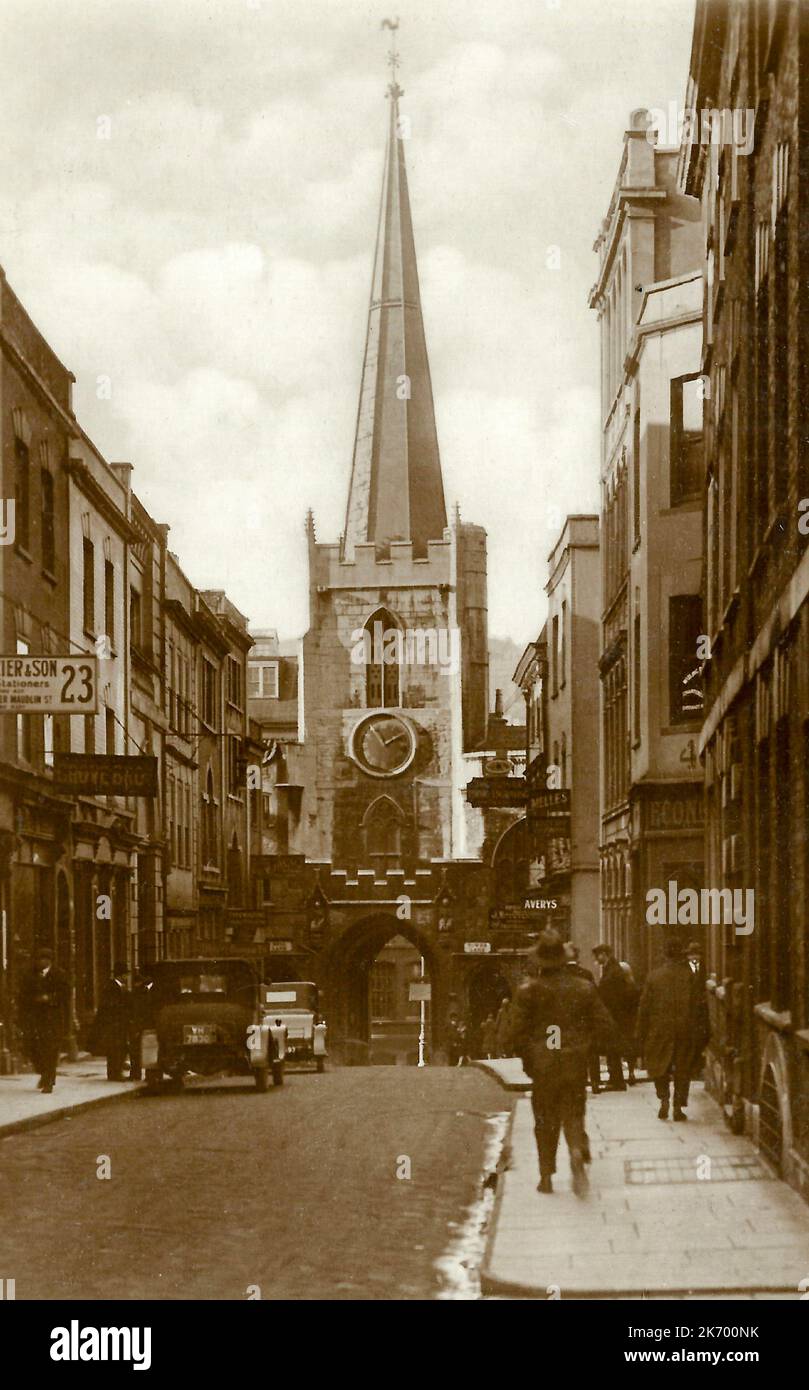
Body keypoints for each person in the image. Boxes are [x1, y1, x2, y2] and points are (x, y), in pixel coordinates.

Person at [513, 930, 617, 1196]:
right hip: (574, 1063)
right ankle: (575, 1149)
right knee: (573, 1113)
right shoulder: (583, 988)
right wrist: (587, 1048)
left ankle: (546, 1176)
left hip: (543, 1067)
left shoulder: (529, 992)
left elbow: (510, 1034)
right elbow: (606, 1027)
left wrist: (529, 1058)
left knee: (545, 1121)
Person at [637, 937, 710, 1121]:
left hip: (660, 1030)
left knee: (659, 1067)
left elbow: (644, 1008)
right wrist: (703, 1031)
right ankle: (678, 1107)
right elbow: (700, 1007)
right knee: (682, 1069)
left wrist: (641, 1033)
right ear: (681, 955)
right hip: (685, 1030)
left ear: (665, 954)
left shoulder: (654, 976)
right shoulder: (690, 977)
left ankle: (663, 1099)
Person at [18, 947, 69, 1093]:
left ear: (50, 961)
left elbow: (65, 996)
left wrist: (50, 999)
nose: (41, 962)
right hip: (34, 1019)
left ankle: (48, 1080)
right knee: (33, 1048)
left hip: (53, 1019)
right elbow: (22, 996)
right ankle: (43, 1072)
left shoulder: (59, 975)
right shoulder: (29, 975)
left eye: (44, 959)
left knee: (50, 1050)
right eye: (39, 959)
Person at [592, 944, 638, 1089]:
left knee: (613, 1048)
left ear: (604, 954)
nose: (596, 958)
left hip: (614, 1015)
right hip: (613, 1015)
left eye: (597, 955)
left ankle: (617, 1081)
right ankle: (616, 1079)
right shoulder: (611, 968)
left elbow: (613, 996)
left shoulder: (614, 970)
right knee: (613, 1048)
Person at [565, 942, 602, 1093]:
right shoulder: (586, 974)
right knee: (591, 1052)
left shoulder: (561, 975)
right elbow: (595, 998)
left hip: (567, 1021)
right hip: (586, 1020)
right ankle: (594, 1082)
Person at [95, 962, 132, 1081]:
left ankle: (115, 1072)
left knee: (119, 1049)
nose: (127, 977)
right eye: (125, 975)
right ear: (121, 975)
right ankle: (114, 1073)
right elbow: (110, 1006)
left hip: (119, 1024)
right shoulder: (112, 987)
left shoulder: (119, 987)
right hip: (113, 1024)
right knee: (115, 1050)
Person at [129, 962, 156, 1081]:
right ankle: (136, 1074)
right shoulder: (137, 992)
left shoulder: (155, 991)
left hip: (149, 1026)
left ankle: (151, 1074)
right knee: (136, 1050)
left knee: (150, 1050)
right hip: (140, 1025)